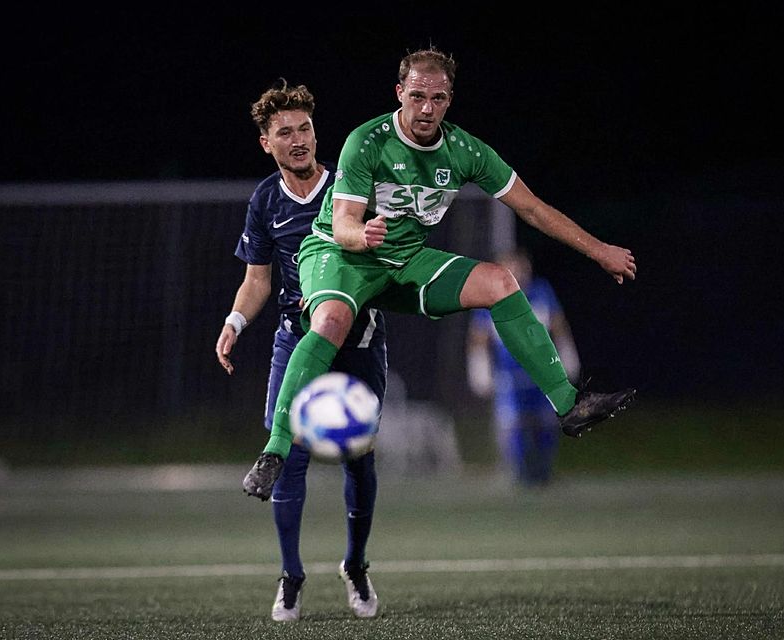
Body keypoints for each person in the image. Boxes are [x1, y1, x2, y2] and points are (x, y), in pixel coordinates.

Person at [244, 46, 637, 507]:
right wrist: (362, 236)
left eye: (437, 98)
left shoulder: (466, 151)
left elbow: (532, 208)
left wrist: (600, 250)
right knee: (331, 321)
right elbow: (345, 223)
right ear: (400, 93)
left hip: (407, 259)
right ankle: (274, 453)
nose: (426, 107)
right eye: (417, 96)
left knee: (501, 282)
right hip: (340, 253)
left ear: (449, 100)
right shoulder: (367, 141)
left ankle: (569, 406)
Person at [218, 80, 383, 622]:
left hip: (358, 340)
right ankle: (291, 576)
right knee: (284, 455)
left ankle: (355, 566)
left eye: (305, 128)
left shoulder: (352, 187)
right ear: (267, 142)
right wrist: (236, 321)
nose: (298, 139)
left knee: (358, 453)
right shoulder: (266, 199)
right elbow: (257, 279)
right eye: (284, 132)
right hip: (296, 340)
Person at [467, 247, 581, 486]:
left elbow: (558, 324)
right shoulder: (489, 296)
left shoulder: (541, 291)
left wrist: (568, 353)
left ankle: (544, 471)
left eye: (519, 266)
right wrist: (479, 366)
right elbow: (479, 335)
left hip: (543, 372)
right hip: (510, 374)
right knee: (513, 424)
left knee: (547, 421)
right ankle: (520, 473)